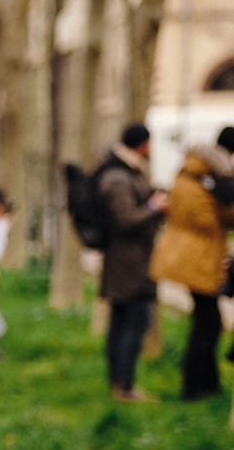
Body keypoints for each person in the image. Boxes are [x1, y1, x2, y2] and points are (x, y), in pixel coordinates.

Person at [149, 130, 234, 399]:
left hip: (187, 255)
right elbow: (210, 219)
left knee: (205, 320)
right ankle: (197, 388)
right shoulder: (209, 178)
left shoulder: (188, 172)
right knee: (207, 324)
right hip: (199, 256)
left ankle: (206, 384)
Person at [96, 122, 169, 401]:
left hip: (129, 261)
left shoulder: (126, 172)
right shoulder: (118, 177)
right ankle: (124, 386)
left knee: (123, 322)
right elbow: (125, 220)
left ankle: (119, 383)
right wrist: (154, 208)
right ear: (142, 144)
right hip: (128, 263)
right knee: (134, 322)